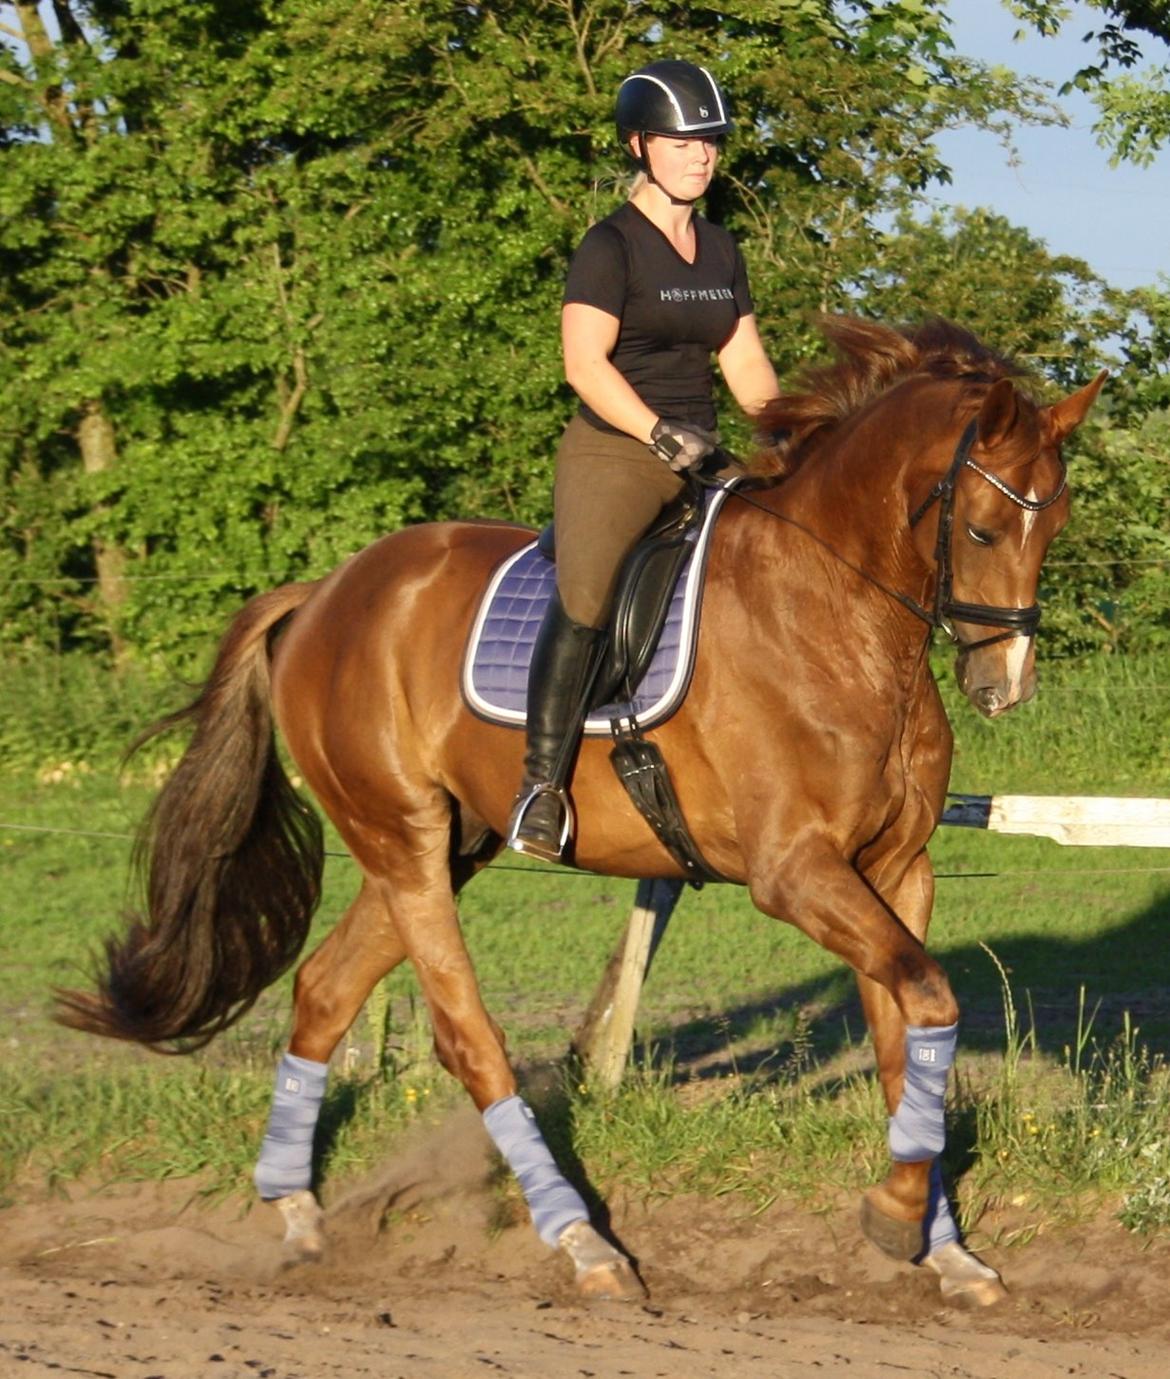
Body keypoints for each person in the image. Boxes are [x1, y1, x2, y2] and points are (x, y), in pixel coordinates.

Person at [506, 58, 780, 863]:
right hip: (619, 448)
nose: (701, 156)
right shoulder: (609, 245)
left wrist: (793, 436)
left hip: (704, 448)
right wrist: (660, 433)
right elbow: (584, 363)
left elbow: (747, 363)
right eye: (682, 142)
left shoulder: (721, 249)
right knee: (587, 593)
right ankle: (542, 786)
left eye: (711, 143)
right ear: (639, 145)